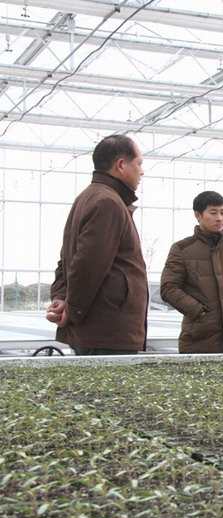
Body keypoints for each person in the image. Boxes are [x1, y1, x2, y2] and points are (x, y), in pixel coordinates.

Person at [46, 134, 149, 355]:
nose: (142, 171)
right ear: (121, 165)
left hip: (97, 331)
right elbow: (87, 265)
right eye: (139, 164)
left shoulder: (89, 197)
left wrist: (62, 298)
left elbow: (66, 260)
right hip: (106, 332)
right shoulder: (107, 203)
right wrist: (72, 309)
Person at [160, 191, 223, 353]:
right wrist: (198, 312)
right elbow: (169, 288)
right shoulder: (182, 249)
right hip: (198, 339)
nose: (219, 218)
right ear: (197, 215)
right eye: (213, 213)